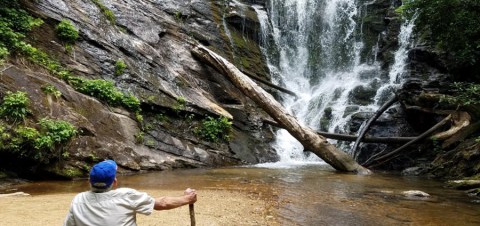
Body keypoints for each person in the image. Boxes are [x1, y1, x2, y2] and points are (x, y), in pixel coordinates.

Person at [63, 160, 197, 226]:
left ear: (89, 181)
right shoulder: (126, 195)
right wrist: (187, 198)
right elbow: (162, 203)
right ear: (114, 182)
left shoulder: (78, 200)